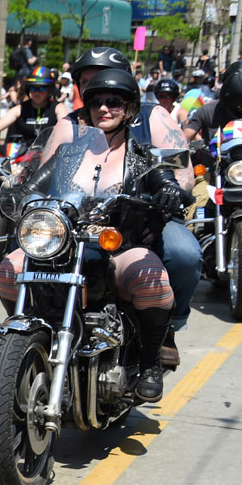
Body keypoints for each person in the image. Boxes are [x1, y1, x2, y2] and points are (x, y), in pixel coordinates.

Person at [0, 69, 178, 402]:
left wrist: (169, 190)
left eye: (114, 102)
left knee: (152, 281)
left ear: (129, 109)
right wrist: (6, 193)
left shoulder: (143, 156)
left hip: (118, 246)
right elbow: (33, 185)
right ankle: (26, 340)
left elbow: (165, 179)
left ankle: (150, 362)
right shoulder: (69, 153)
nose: (104, 108)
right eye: (96, 102)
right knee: (10, 268)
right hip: (62, 244)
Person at [62, 46, 200, 367]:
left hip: (150, 213)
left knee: (184, 255)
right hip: (83, 220)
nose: (99, 92)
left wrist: (169, 197)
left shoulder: (152, 115)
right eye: (87, 82)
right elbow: (47, 164)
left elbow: (181, 169)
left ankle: (167, 329)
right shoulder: (71, 122)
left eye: (105, 81)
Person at [0, 67, 65, 149]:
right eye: (33, 88)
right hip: (23, 155)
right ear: (28, 89)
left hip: (51, 155)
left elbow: (67, 129)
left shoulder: (58, 108)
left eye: (42, 88)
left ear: (49, 90)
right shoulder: (20, 109)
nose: (37, 92)